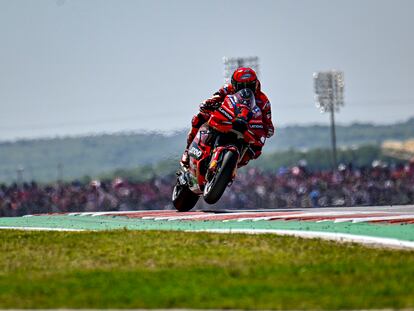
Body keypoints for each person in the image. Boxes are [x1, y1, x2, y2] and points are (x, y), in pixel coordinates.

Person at [181, 67, 274, 167]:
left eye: (249, 86)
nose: (246, 90)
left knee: (256, 149)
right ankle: (187, 150)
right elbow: (215, 98)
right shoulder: (227, 89)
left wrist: (266, 129)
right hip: (227, 118)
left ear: (255, 84)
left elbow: (268, 123)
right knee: (199, 118)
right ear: (234, 85)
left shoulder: (263, 101)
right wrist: (208, 104)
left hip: (246, 128)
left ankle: (231, 169)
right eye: (241, 86)